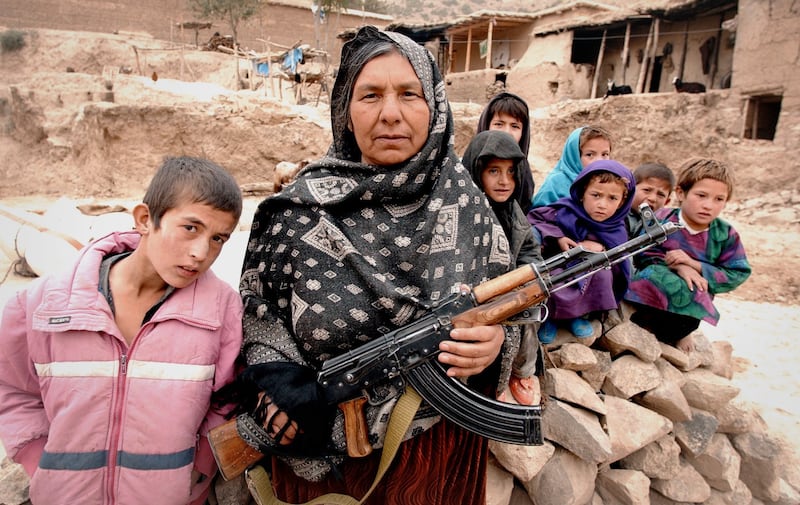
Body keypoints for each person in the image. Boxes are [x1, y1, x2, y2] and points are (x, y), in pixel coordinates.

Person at [230, 26, 522, 504]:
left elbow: (511, 312)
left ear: (435, 106)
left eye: (409, 94)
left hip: (436, 453)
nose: (390, 113)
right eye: (370, 95)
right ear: (345, 109)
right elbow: (257, 316)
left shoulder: (469, 207)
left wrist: (492, 345)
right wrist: (280, 385)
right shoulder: (296, 211)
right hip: (321, 463)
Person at [0, 156, 244, 505]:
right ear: (145, 219)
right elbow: (14, 392)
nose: (201, 252)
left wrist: (198, 467)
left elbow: (227, 399)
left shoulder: (222, 312)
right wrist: (40, 462)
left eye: (219, 238)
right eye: (190, 228)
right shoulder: (42, 305)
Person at [625, 158, 751, 353]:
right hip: (650, 298)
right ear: (681, 193)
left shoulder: (725, 234)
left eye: (719, 199)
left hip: (690, 306)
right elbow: (643, 251)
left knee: (697, 290)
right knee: (651, 278)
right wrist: (677, 265)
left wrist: (696, 266)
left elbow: (738, 272)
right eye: (701, 195)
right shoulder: (662, 218)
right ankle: (643, 330)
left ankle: (680, 333)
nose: (708, 205)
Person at [462, 129, 544, 405]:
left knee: (529, 314)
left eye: (510, 172)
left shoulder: (513, 211)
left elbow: (530, 251)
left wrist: (526, 279)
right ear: (477, 171)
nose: (504, 181)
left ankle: (522, 372)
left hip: (510, 290)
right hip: (474, 296)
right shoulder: (465, 212)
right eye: (494, 171)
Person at [527, 159, 635, 343]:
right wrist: (559, 237)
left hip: (590, 271)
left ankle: (577, 316)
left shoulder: (616, 227)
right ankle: (550, 317)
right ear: (582, 193)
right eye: (596, 195)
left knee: (603, 276)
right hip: (559, 263)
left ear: (622, 201)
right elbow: (534, 220)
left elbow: (620, 258)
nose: (602, 204)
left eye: (612, 198)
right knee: (553, 279)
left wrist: (602, 248)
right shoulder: (565, 210)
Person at [476, 92, 535, 212]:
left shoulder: (524, 174)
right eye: (499, 124)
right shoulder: (470, 167)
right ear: (486, 125)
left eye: (515, 126)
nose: (506, 132)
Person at [532, 125, 614, 208]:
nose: (599, 160)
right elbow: (538, 216)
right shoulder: (556, 183)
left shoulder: (611, 182)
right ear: (574, 156)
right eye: (590, 154)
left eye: (604, 154)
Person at [626, 162, 676, 239]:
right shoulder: (615, 215)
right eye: (647, 190)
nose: (652, 198)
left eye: (660, 194)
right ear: (631, 189)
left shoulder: (664, 225)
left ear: (667, 202)